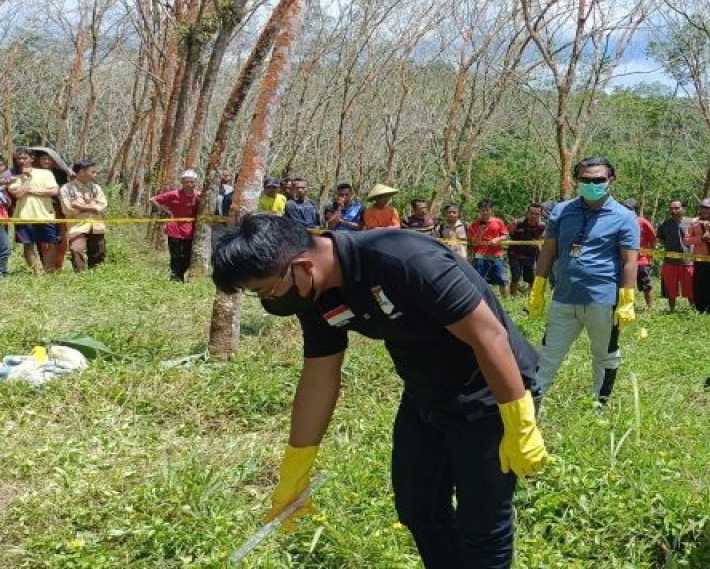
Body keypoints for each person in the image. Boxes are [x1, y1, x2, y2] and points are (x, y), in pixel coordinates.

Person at [212, 214, 548, 568]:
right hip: (425, 393)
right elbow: (319, 376)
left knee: (482, 525)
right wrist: (296, 469)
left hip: (492, 393)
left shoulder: (403, 259)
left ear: (302, 266)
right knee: (418, 510)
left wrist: (519, 421)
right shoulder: (314, 292)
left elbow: (489, 336)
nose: (268, 301)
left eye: (266, 290)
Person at [527, 156, 639, 405]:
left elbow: (629, 260)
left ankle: (599, 405)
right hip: (564, 298)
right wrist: (538, 287)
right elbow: (548, 251)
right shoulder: (562, 211)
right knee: (547, 355)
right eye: (586, 180)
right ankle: (531, 407)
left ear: (611, 180)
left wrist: (627, 299)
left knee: (605, 355)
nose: (592, 184)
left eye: (599, 179)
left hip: (602, 300)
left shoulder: (624, 217)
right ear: (576, 180)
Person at [7, 147, 60, 273]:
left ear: (31, 159)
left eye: (24, 158)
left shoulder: (46, 173)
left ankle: (48, 270)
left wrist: (32, 191)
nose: (21, 161)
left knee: (51, 243)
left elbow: (54, 191)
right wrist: (28, 179)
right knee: (28, 244)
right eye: (18, 158)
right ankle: (37, 273)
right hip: (24, 216)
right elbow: (18, 194)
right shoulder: (13, 177)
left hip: (45, 214)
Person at [150, 169, 202, 282]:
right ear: (182, 182)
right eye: (186, 182)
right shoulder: (173, 194)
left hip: (191, 231)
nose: (189, 184)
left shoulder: (199, 196)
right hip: (174, 230)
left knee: (188, 257)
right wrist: (164, 210)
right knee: (175, 256)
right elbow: (153, 199)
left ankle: (178, 275)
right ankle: (175, 279)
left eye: (192, 182)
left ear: (196, 182)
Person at [59, 158, 108, 272]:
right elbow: (68, 209)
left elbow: (102, 206)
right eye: (93, 172)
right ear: (81, 172)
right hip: (77, 226)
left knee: (98, 252)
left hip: (96, 226)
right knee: (76, 249)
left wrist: (81, 207)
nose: (95, 174)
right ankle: (80, 276)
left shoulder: (96, 188)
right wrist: (92, 206)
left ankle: (96, 275)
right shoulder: (66, 189)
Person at [684, 198, 710, 314]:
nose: (704, 210)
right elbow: (686, 240)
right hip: (700, 259)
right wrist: (701, 238)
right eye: (702, 207)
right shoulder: (694, 222)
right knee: (699, 285)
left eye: (707, 208)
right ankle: (700, 310)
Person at [657, 200, 694, 311]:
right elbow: (662, 239)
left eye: (676, 208)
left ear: (683, 209)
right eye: (671, 208)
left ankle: (693, 309)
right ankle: (671, 310)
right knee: (671, 288)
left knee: (690, 288)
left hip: (688, 261)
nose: (673, 210)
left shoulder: (691, 222)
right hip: (670, 262)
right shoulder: (665, 224)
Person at [622, 199, 656, 310]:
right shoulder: (619, 221)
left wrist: (651, 256)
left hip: (641, 260)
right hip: (625, 259)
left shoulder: (643, 222)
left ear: (635, 210)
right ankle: (627, 305)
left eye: (629, 209)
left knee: (646, 284)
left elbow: (653, 239)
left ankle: (650, 307)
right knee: (625, 283)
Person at [469, 200, 509, 293]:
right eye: (482, 210)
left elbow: (505, 235)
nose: (485, 212)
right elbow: (474, 243)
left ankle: (506, 301)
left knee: (502, 279)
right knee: (479, 280)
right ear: (479, 211)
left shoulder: (498, 222)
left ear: (491, 210)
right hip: (480, 256)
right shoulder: (474, 224)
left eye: (487, 210)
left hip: (497, 255)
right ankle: (480, 300)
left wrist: (498, 239)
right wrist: (479, 233)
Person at [507, 203, 544, 297]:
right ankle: (512, 297)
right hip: (515, 253)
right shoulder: (518, 223)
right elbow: (507, 232)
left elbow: (544, 239)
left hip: (530, 255)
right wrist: (511, 226)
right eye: (531, 213)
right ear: (527, 213)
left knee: (531, 277)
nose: (534, 216)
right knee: (515, 276)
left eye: (537, 214)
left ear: (540, 215)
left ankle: (530, 297)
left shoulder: (542, 226)